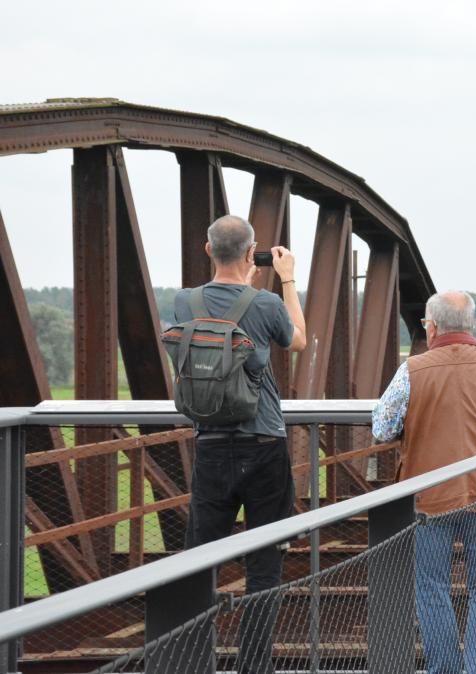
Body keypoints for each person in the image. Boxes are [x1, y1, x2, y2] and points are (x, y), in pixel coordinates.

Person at [174, 215, 307, 674]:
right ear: (254, 255)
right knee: (263, 566)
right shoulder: (267, 302)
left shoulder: (184, 301)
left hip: (210, 443)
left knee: (198, 563)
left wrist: (242, 277)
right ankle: (254, 667)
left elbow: (218, 318)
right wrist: (286, 279)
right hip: (263, 442)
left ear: (208, 251)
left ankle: (193, 663)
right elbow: (299, 341)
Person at [371, 291, 476, 674]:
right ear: (471, 325)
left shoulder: (412, 370)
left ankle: (444, 669)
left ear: (433, 326)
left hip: (429, 498)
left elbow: (381, 427)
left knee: (431, 589)